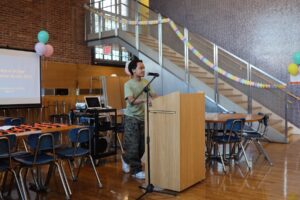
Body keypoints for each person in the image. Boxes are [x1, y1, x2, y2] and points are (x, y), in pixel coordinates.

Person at [122, 57, 156, 180]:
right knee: (133, 145)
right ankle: (136, 170)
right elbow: (131, 101)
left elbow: (154, 96)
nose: (143, 70)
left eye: (143, 68)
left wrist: (162, 100)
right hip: (131, 118)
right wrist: (145, 99)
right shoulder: (128, 84)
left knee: (142, 146)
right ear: (133, 70)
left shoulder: (146, 82)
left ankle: (125, 158)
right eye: (140, 68)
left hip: (143, 118)